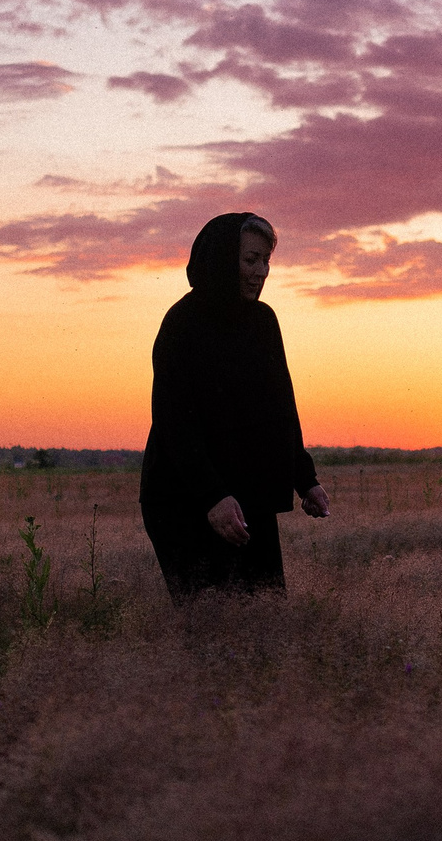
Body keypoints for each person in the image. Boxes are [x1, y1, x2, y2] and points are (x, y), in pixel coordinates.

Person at [139, 212, 331, 601]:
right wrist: (212, 497)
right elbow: (175, 423)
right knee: (208, 620)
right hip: (185, 498)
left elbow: (281, 408)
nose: (260, 271)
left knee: (266, 611)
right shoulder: (182, 323)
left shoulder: (263, 322)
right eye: (250, 260)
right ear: (223, 258)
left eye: (266, 261)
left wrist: (304, 479)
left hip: (247, 497)